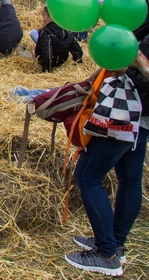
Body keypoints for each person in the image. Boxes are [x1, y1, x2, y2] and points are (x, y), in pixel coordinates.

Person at [62, 44, 149, 277]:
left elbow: (141, 72)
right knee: (130, 181)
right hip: (141, 118)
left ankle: (106, 254)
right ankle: (115, 245)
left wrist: (135, 65)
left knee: (87, 176)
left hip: (123, 114)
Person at [29, 6, 83, 72]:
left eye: (44, 17)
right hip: (61, 61)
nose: (43, 19)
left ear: (49, 17)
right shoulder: (66, 30)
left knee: (23, 53)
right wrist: (78, 62)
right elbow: (77, 49)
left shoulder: (46, 32)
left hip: (51, 63)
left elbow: (47, 52)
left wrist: (47, 69)